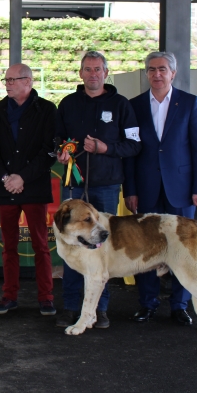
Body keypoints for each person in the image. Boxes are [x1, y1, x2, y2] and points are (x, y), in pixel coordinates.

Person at [55, 51, 141, 329]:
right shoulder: (68, 103)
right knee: (71, 248)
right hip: (74, 186)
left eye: (97, 69)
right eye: (87, 69)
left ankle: (99, 310)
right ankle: (70, 307)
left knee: (102, 250)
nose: (93, 74)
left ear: (106, 73)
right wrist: (60, 151)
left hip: (106, 186)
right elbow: (56, 139)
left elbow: (134, 145)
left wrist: (105, 148)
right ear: (80, 73)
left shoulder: (121, 104)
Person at [123, 51, 197, 326]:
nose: (156, 74)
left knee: (182, 249)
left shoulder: (189, 103)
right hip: (147, 189)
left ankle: (179, 305)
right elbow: (130, 152)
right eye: (151, 70)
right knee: (145, 249)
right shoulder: (134, 105)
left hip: (182, 190)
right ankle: (147, 304)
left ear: (173, 73)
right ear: (146, 74)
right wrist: (130, 190)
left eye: (162, 69)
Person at [0, 63, 57, 316]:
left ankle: (46, 297)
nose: (7, 84)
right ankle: (9, 295)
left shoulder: (47, 110)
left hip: (34, 186)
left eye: (12, 80)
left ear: (28, 81)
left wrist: (22, 177)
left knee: (40, 244)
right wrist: (7, 177)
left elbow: (49, 151)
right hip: (6, 188)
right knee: (9, 246)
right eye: (5, 80)